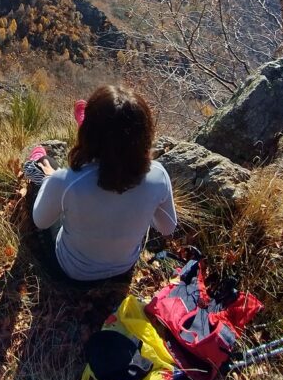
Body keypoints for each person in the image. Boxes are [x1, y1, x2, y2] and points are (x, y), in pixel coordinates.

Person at [29, 86, 177, 283]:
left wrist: (50, 180)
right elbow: (167, 227)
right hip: (124, 269)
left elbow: (41, 221)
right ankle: (107, 135)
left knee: (45, 167)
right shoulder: (158, 175)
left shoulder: (65, 180)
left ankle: (46, 161)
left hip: (72, 272)